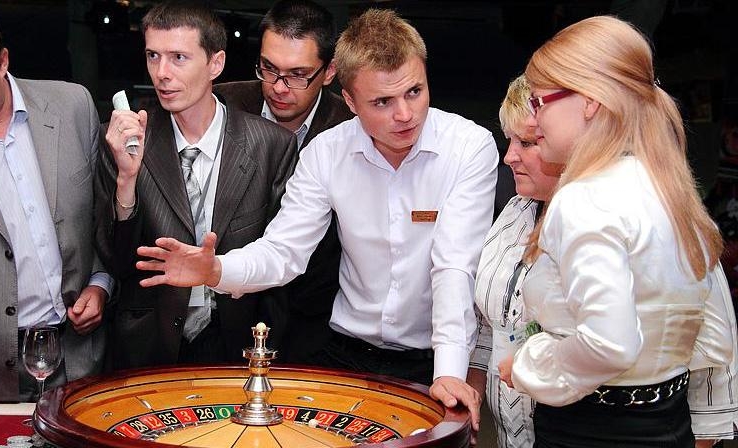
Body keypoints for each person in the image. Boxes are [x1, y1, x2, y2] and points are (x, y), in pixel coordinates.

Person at [135, 8, 498, 426]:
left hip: (433, 360)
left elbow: (454, 265)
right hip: (343, 355)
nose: (405, 114)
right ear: (350, 101)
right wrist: (216, 269)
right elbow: (284, 251)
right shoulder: (325, 152)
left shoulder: (469, 147)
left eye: (414, 92)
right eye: (382, 102)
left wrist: (450, 371)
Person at [496, 16, 735, 447]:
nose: (535, 117)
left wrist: (532, 366)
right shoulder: (668, 189)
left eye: (539, 101)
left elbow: (610, 345)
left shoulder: (585, 198)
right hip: (669, 423)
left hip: (591, 430)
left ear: (589, 102)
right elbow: (715, 339)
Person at [94, 1, 298, 369]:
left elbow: (282, 259)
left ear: (215, 64)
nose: (162, 73)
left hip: (239, 342)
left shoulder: (271, 145)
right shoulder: (126, 140)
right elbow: (117, 262)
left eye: (178, 58)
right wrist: (126, 179)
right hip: (149, 345)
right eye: (153, 56)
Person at [0, 0, 112, 402]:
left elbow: (102, 217)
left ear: (2, 62)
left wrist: (100, 283)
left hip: (77, 362)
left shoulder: (72, 106)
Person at [213, 0, 353, 364]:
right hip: (225, 313)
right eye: (269, 68)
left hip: (316, 321)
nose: (278, 87)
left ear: (329, 71)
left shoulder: (350, 128)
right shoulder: (221, 105)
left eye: (297, 74)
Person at [467, 74, 560, 448]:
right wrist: (469, 398)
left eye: (527, 142)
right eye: (510, 140)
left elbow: (710, 361)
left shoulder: (621, 216)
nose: (509, 156)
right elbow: (491, 323)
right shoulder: (514, 211)